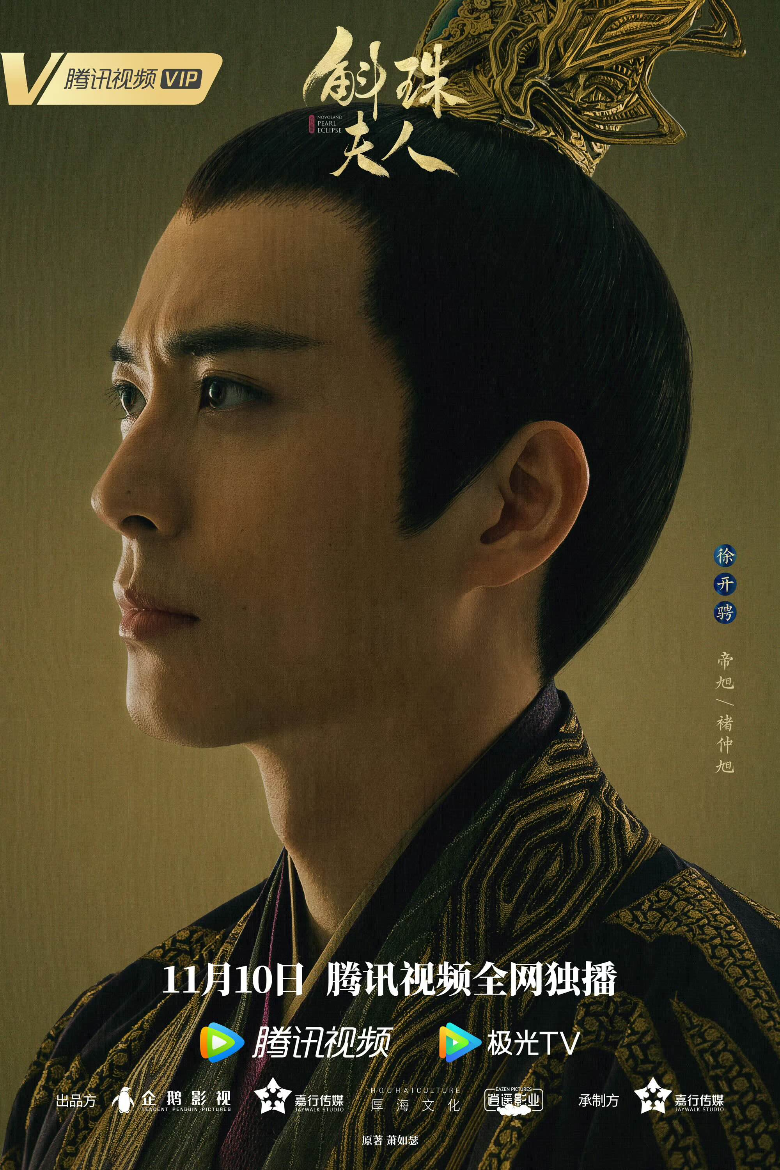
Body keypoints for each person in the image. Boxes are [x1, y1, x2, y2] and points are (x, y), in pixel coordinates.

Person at [6, 3, 779, 1169]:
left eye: (227, 394)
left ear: (515, 503)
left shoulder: (700, 1055)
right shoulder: (107, 1054)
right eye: (133, 396)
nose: (120, 492)